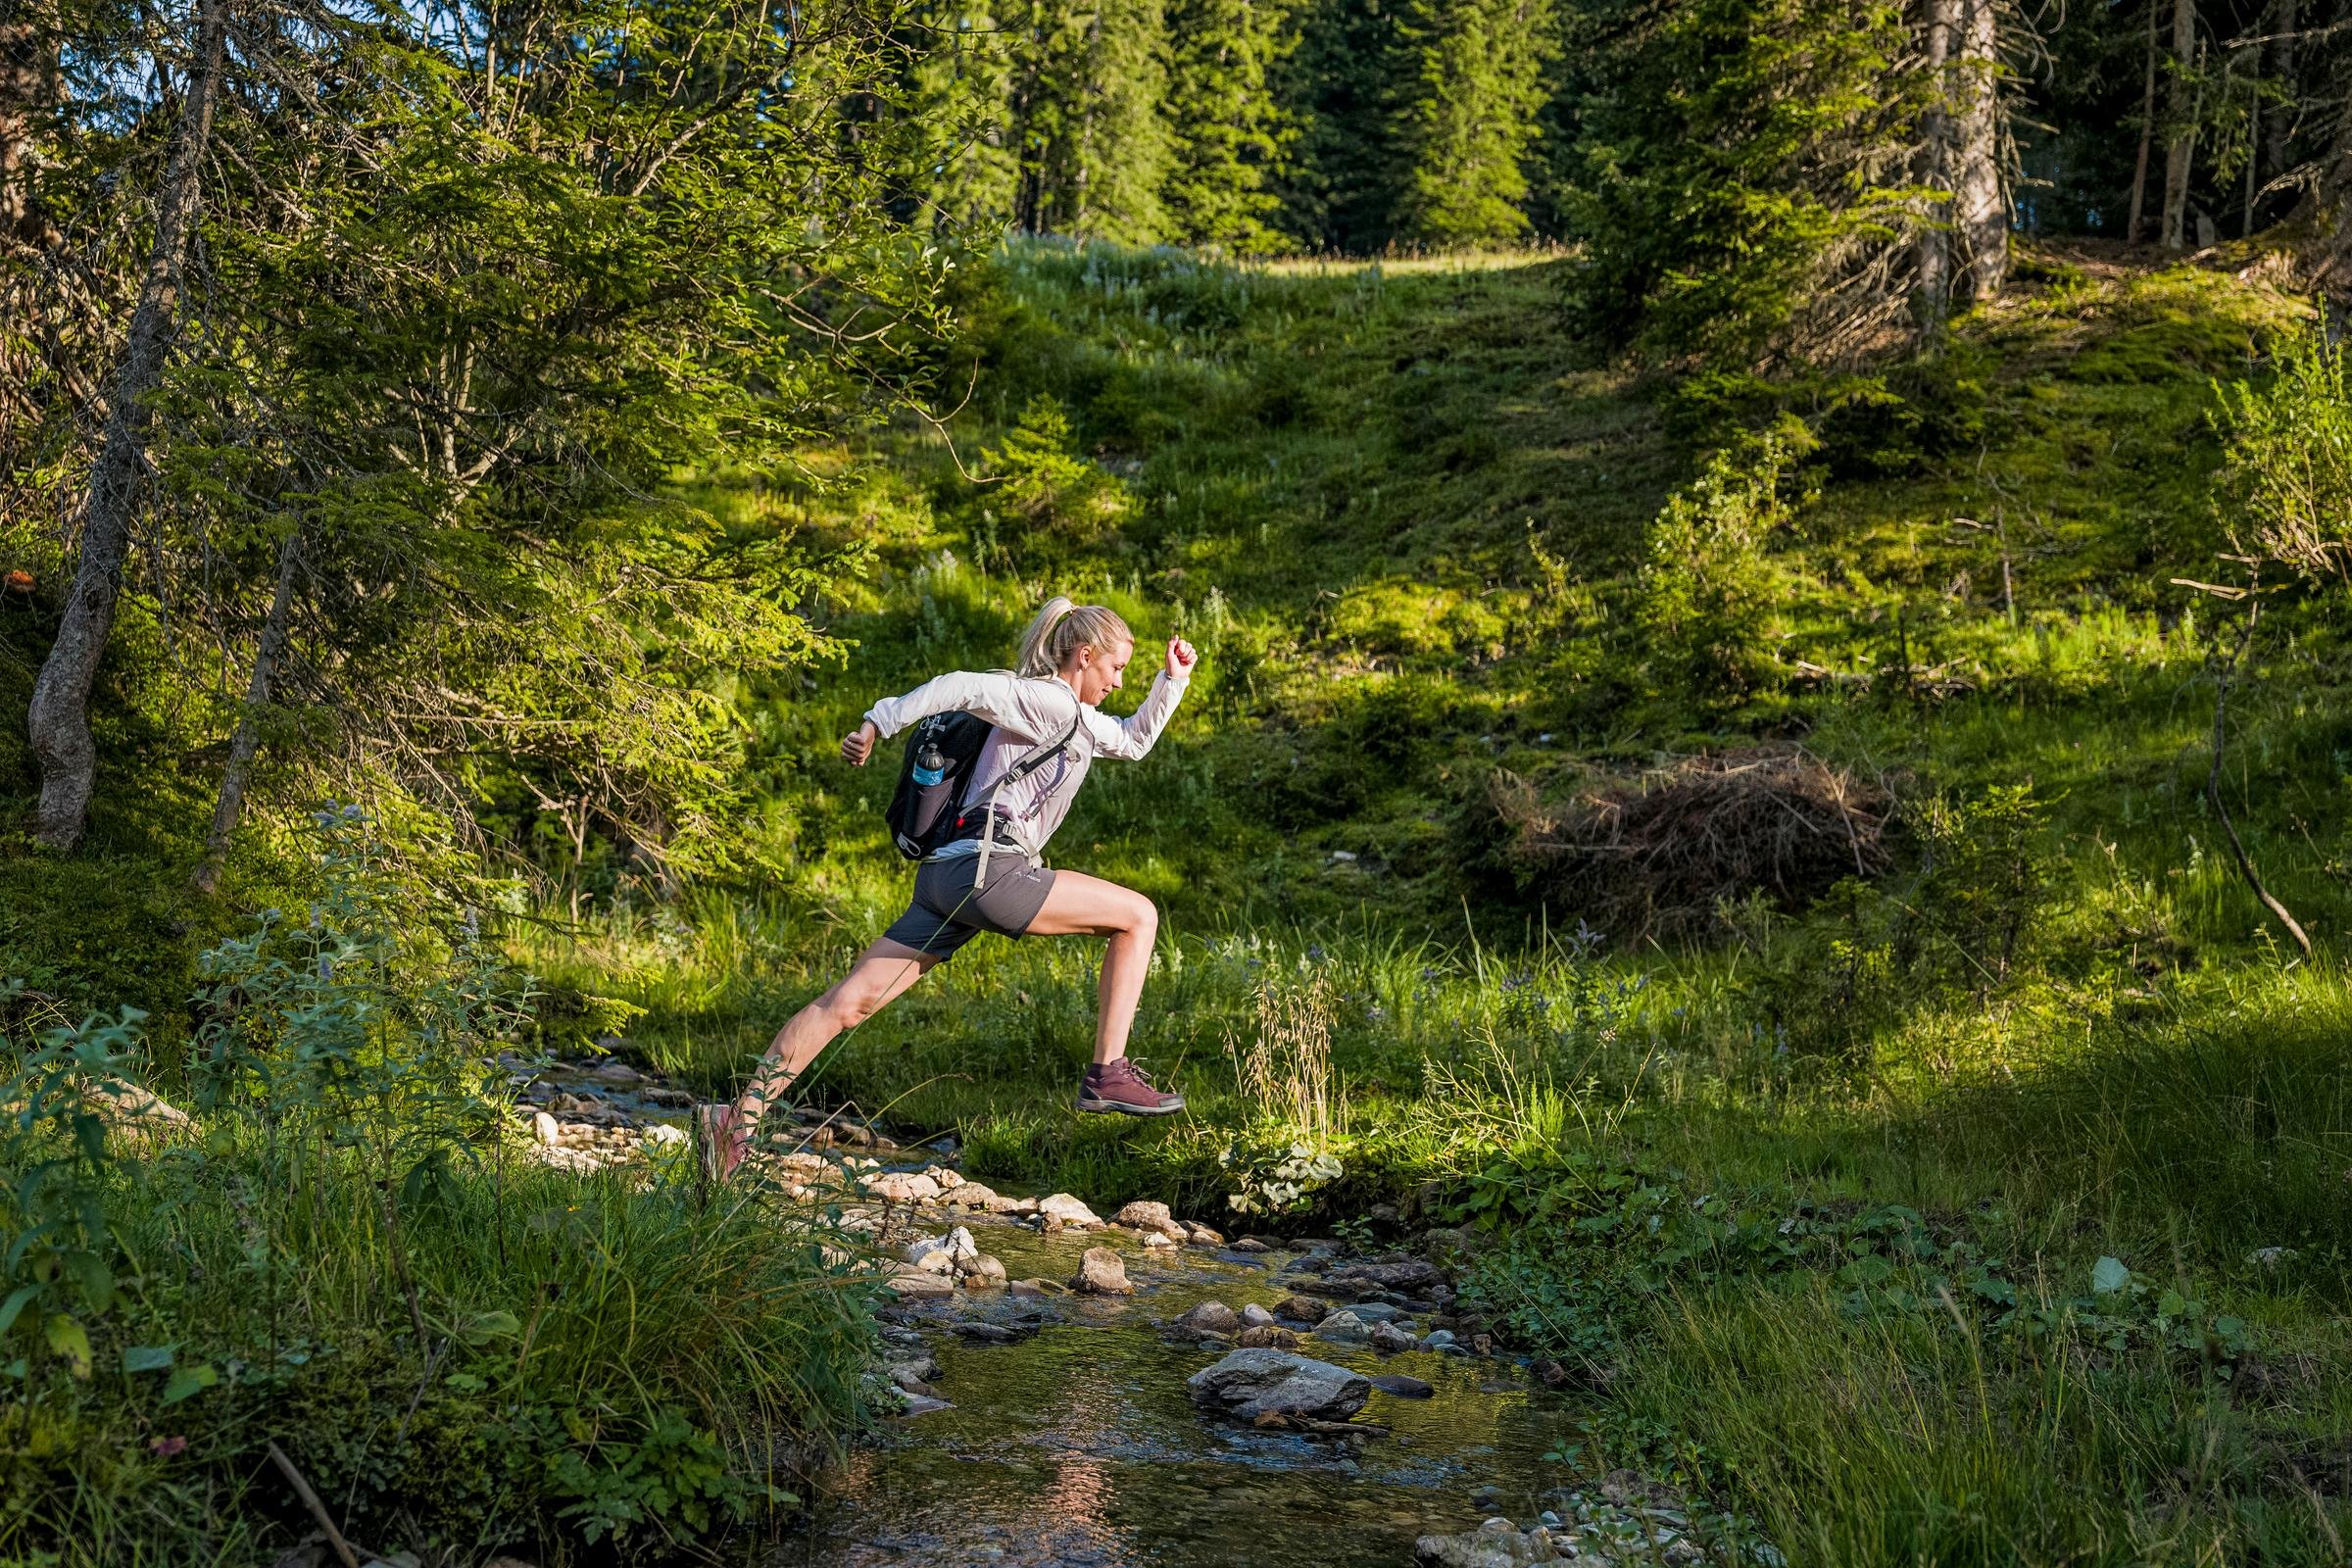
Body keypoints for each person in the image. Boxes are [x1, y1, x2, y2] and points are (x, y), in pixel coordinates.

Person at [696, 596, 1198, 1182]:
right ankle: (1108, 1071)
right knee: (1138, 916)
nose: (1118, 683)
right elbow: (958, 685)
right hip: (990, 871)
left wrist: (1171, 681)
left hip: (946, 879)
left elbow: (1134, 741)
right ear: (1085, 656)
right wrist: (879, 720)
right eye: (1116, 670)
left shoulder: (1076, 718)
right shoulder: (1041, 699)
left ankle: (736, 1120)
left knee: (846, 1004)